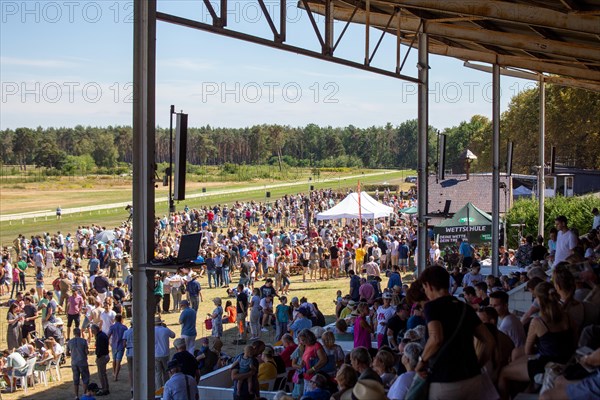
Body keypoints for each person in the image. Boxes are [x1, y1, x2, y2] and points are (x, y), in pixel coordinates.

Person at [416, 265, 494, 400]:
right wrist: (477, 365)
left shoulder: (432, 307)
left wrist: (421, 361)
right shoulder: (465, 307)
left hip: (445, 380)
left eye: (424, 287)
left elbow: (436, 339)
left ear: (428, 285)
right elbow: (490, 341)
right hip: (473, 378)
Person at [498, 281, 574, 400]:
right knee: (516, 357)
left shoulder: (538, 322)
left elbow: (528, 351)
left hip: (546, 365)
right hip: (566, 361)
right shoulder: (566, 316)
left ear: (538, 300)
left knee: (504, 372)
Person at [298, 328, 327, 394]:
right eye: (300, 340)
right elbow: (307, 357)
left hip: (314, 379)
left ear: (308, 338)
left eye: (303, 340)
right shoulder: (306, 346)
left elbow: (323, 360)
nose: (301, 342)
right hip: (306, 376)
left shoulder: (316, 345)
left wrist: (312, 369)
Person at [67, 327, 90, 400]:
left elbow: (67, 353)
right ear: (80, 333)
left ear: (73, 333)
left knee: (76, 379)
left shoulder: (70, 342)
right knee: (85, 378)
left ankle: (76, 395)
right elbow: (86, 352)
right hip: (82, 361)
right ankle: (84, 393)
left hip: (74, 362)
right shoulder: (83, 341)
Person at [155, 315, 176, 389]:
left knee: (158, 373)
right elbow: (173, 335)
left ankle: (158, 389)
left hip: (156, 354)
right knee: (166, 372)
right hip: (165, 354)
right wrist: (166, 327)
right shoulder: (165, 330)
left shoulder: (152, 331)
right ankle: (166, 387)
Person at [91, 324, 110, 396]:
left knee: (101, 374)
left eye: (92, 331)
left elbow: (100, 349)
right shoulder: (102, 335)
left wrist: (98, 356)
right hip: (105, 355)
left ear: (94, 330)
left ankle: (104, 389)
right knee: (103, 373)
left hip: (102, 357)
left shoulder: (99, 337)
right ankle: (105, 387)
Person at [107, 314, 127, 382]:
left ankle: (114, 372)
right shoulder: (124, 327)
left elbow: (108, 335)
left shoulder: (112, 327)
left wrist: (108, 343)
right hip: (121, 345)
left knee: (114, 359)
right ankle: (116, 375)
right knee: (118, 361)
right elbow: (125, 337)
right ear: (121, 319)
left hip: (114, 345)